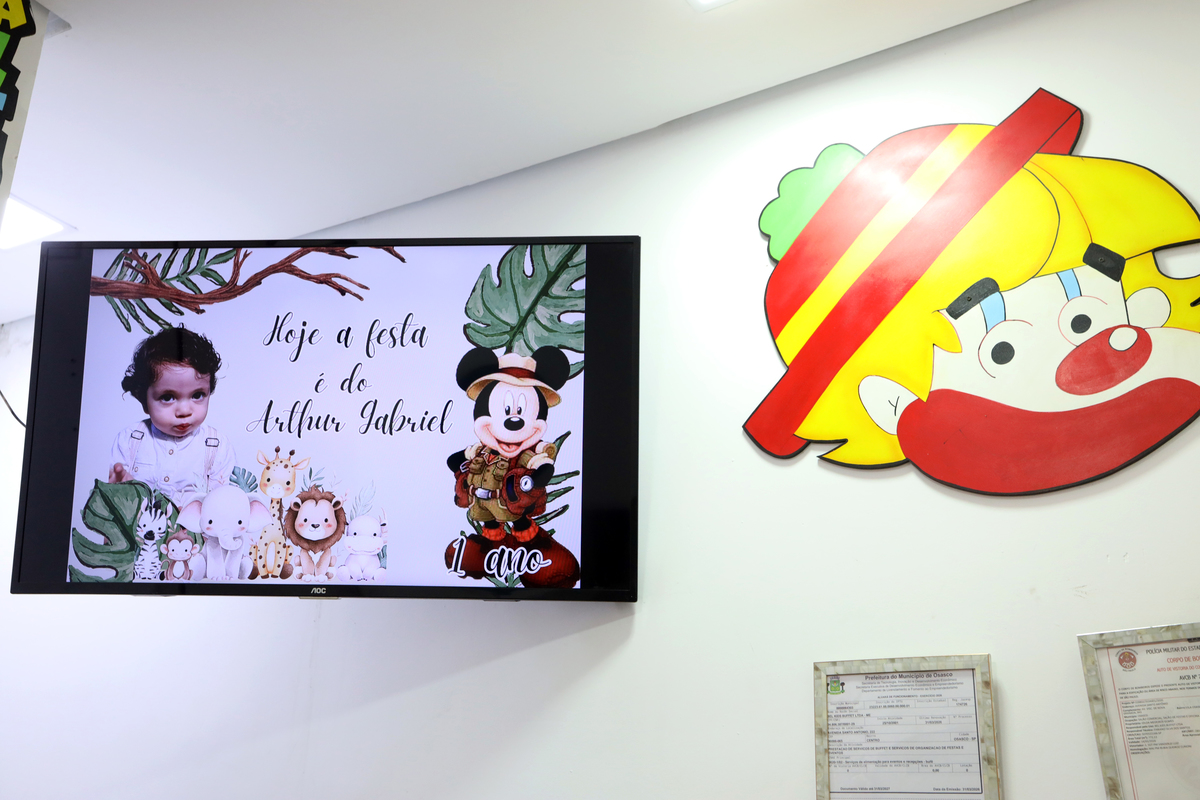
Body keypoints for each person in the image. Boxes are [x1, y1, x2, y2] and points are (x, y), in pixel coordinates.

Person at [108, 327, 235, 504]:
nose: (184, 411)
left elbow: (222, 505)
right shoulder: (130, 440)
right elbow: (116, 496)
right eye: (167, 397)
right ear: (144, 400)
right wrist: (119, 488)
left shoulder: (217, 446)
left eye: (197, 395)